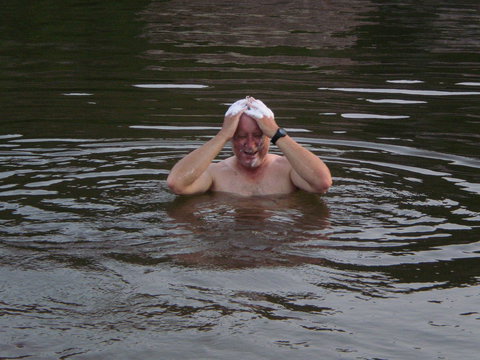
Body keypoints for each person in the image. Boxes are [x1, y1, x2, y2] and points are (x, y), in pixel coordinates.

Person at [167, 96, 332, 196]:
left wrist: (277, 133)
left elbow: (322, 183)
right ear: (231, 137)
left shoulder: (288, 170)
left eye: (258, 135)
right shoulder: (216, 174)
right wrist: (222, 135)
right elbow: (177, 184)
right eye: (241, 136)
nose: (250, 145)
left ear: (269, 136)